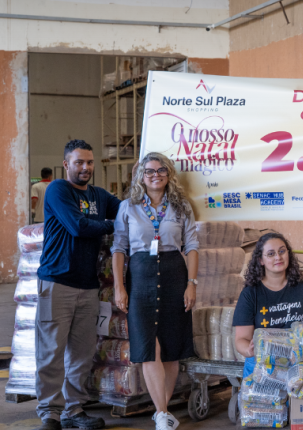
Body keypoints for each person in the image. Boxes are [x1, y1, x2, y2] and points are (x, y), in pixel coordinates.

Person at [36, 140, 120, 430]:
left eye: (89, 162)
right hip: (57, 281)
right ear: (66, 165)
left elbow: (125, 211)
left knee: (82, 353)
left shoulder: (99, 195)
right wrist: (114, 226)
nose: (85, 168)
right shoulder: (58, 190)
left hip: (87, 285)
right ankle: (50, 414)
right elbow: (78, 226)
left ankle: (74, 411)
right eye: (79, 162)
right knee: (51, 352)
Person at [111, 152, 199, 430]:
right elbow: (119, 248)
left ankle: (162, 415)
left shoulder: (181, 206)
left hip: (175, 274)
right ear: (141, 176)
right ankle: (162, 413)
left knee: (171, 347)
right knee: (150, 348)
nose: (155, 175)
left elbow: (193, 246)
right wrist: (119, 287)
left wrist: (191, 284)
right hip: (141, 276)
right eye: (149, 171)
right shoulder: (128, 207)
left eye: (161, 170)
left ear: (169, 174)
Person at [232, 232, 303, 378]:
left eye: (282, 251)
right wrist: (249, 351)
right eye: (271, 254)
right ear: (261, 260)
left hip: (299, 366)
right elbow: (241, 339)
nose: (278, 257)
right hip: (263, 366)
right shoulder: (250, 294)